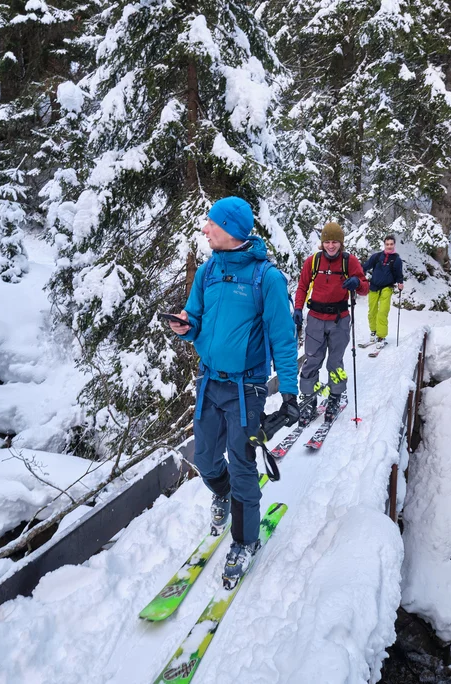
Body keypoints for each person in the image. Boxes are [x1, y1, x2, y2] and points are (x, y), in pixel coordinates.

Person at [167, 196, 300, 586]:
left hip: (247, 389)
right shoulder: (207, 271)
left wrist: (289, 393)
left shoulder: (266, 278)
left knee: (242, 464)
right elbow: (195, 319)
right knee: (206, 459)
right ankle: (220, 493)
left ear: (231, 230)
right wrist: (185, 327)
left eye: (211, 223)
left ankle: (245, 541)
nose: (205, 229)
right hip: (209, 382)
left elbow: (283, 338)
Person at [292, 221, 369, 425]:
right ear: (322, 243)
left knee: (335, 362)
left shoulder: (349, 261)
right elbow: (302, 286)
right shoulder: (313, 261)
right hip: (316, 319)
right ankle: (309, 399)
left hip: (339, 319)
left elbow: (365, 288)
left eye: (335, 242)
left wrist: (357, 283)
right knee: (311, 361)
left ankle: (335, 396)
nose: (331, 246)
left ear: (341, 243)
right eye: (327, 242)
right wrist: (298, 308)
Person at [362, 235, 405, 349]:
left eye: (391, 244)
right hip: (374, 286)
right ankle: (374, 331)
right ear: (384, 244)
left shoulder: (396, 260)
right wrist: (357, 274)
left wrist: (400, 283)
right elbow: (365, 267)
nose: (389, 246)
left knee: (382, 312)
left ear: (394, 245)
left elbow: (398, 274)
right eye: (387, 244)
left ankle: (381, 336)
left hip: (387, 287)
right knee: (372, 311)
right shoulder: (376, 257)